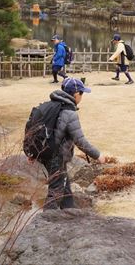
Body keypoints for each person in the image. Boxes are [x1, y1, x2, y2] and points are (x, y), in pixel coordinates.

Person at [35, 78, 106, 209]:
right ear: (75, 94)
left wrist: (32, 152)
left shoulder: (52, 106)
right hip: (56, 157)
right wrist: (97, 155)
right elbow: (80, 140)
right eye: (82, 93)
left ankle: (70, 213)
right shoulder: (69, 112)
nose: (82, 97)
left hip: (46, 153)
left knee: (64, 187)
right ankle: (46, 222)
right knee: (56, 191)